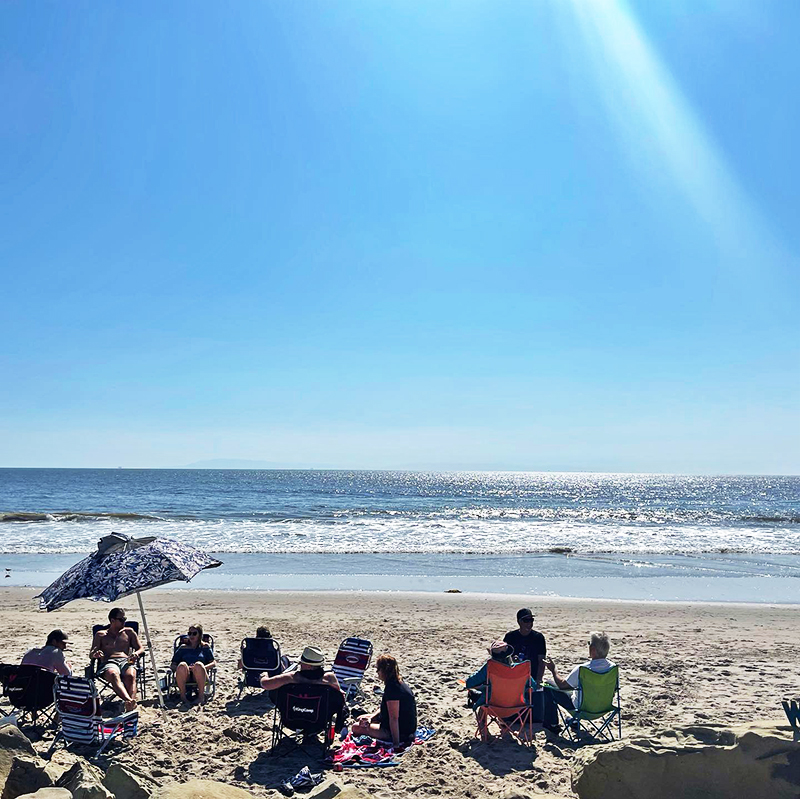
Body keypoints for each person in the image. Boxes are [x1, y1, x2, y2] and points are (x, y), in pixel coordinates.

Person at [542, 631, 615, 733]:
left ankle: (552, 724)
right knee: (576, 690)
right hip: (603, 708)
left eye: (589, 644)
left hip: (582, 710)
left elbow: (562, 685)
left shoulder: (583, 669)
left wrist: (553, 670)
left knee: (548, 685)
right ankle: (574, 722)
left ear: (593, 649)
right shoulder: (613, 668)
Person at [466, 640, 539, 741]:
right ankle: (503, 724)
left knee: (484, 699)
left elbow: (469, 683)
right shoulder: (521, 669)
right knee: (490, 695)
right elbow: (534, 686)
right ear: (509, 654)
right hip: (517, 707)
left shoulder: (490, 667)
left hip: (493, 706)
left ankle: (483, 729)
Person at [351, 654, 417, 749]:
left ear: (384, 671)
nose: (377, 672)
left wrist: (396, 744)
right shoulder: (398, 683)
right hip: (406, 727)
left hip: (401, 732)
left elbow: (394, 718)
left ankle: (391, 738)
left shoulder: (392, 689)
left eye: (378, 669)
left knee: (355, 727)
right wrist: (372, 717)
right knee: (362, 718)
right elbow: (388, 708)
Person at [90, 608, 143, 711]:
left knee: (131, 675)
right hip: (109, 662)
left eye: (125, 619)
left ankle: (130, 705)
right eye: (121, 619)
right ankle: (129, 701)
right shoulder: (101, 634)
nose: (124, 622)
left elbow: (141, 648)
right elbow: (91, 653)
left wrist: (136, 653)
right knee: (114, 674)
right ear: (112, 620)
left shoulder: (129, 632)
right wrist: (96, 654)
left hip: (126, 660)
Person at [259, 645, 340, 693]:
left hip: (293, 717)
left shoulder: (291, 677)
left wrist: (264, 676)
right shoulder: (330, 679)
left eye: (301, 663)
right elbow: (340, 697)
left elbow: (266, 685)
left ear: (309, 666)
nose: (300, 664)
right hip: (320, 719)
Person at [171, 622, 216, 705]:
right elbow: (173, 664)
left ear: (199, 635)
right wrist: (184, 668)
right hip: (186, 675)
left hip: (200, 674)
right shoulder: (183, 648)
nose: (191, 636)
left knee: (198, 665)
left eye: (194, 633)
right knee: (182, 665)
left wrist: (202, 668)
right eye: (189, 633)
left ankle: (200, 697)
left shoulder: (205, 647)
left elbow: (213, 662)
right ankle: (183, 697)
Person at [504, 607, 547, 683]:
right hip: (513, 675)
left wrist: (539, 679)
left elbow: (541, 661)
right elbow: (502, 657)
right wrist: (512, 660)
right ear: (519, 621)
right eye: (526, 620)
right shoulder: (510, 637)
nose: (529, 623)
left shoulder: (538, 638)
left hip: (531, 676)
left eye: (531, 620)